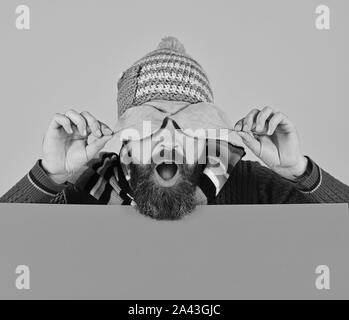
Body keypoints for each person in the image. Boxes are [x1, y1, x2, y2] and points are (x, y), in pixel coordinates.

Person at [1, 37, 348, 220]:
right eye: (149, 124)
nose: (169, 140)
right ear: (122, 142)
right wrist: (49, 177)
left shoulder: (252, 187)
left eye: (188, 124)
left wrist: (299, 172)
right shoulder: (83, 191)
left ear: (210, 137)